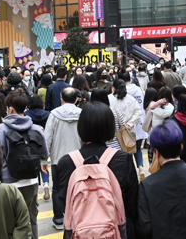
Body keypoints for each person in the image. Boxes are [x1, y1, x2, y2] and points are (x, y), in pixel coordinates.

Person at [55, 101, 139, 238]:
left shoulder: (66, 162)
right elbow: (132, 204)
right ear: (110, 128)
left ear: (81, 127)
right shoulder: (123, 159)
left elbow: (65, 202)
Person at [0, 90, 49, 239]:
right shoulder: (36, 128)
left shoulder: (1, 130)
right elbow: (44, 154)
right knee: (31, 219)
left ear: (10, 108)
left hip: (9, 183)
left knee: (11, 221)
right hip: (31, 181)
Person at [44, 87, 82, 230]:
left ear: (61, 100)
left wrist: (44, 159)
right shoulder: (82, 114)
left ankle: (59, 219)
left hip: (58, 158)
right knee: (79, 188)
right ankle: (78, 217)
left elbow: (47, 138)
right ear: (77, 100)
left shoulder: (54, 114)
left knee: (57, 189)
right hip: (79, 158)